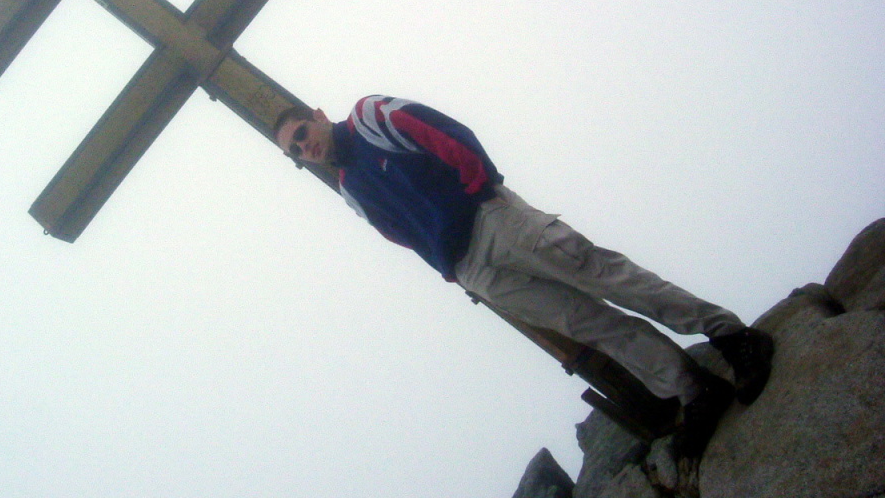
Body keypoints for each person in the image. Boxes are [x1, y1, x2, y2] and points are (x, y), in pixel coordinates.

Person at [274, 95, 774, 455]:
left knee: (605, 276)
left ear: (317, 116)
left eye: (300, 134)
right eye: (295, 152)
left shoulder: (369, 117)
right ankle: (694, 390)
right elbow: (396, 233)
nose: (304, 147)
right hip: (474, 268)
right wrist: (452, 271)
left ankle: (733, 337)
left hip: (494, 219)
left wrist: (481, 188)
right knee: (587, 324)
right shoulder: (350, 190)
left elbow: (442, 132)